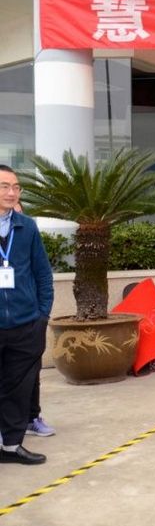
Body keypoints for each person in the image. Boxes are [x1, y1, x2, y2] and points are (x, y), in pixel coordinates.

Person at [0, 164, 54, 465]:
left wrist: (42, 315)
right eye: (4, 186)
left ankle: (11, 446)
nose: (12, 192)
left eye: (16, 187)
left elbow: (42, 273)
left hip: (25, 324)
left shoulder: (27, 227)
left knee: (18, 390)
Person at [12, 197, 55, 438]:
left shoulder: (27, 232)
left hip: (28, 320)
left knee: (30, 374)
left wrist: (42, 314)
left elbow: (43, 274)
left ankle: (31, 418)